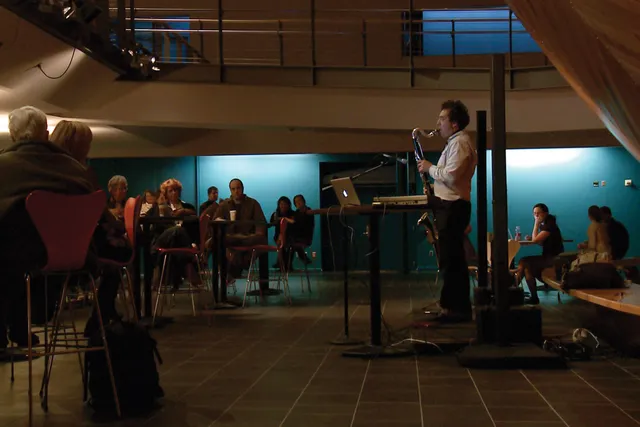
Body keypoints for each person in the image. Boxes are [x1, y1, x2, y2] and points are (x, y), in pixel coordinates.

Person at [0, 107, 94, 355]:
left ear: (12, 136)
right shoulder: (75, 169)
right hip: (71, 258)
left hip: (13, 256)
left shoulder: (3, 167)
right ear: (46, 133)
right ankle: (20, 327)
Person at [417, 100, 477, 322]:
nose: (438, 123)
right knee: (451, 259)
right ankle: (451, 306)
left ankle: (456, 309)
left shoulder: (460, 143)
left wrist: (429, 168)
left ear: (454, 124)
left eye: (442, 119)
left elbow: (451, 175)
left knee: (453, 260)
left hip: (454, 207)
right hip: (448, 205)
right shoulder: (454, 142)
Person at [214, 179, 268, 288]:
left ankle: (232, 272)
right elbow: (215, 221)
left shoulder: (253, 203)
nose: (236, 191)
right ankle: (238, 268)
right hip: (231, 238)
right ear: (230, 190)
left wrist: (257, 233)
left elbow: (261, 223)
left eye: (238, 188)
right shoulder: (224, 205)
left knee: (260, 241)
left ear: (242, 189)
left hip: (248, 238)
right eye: (233, 189)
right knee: (218, 240)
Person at [518, 203, 565, 304]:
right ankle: (533, 297)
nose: (536, 216)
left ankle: (511, 290)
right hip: (549, 257)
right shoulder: (547, 224)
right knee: (527, 268)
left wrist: (536, 224)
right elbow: (540, 242)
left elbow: (535, 241)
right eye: (534, 213)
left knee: (523, 261)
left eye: (538, 213)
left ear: (545, 213)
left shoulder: (549, 226)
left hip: (553, 258)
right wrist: (533, 238)